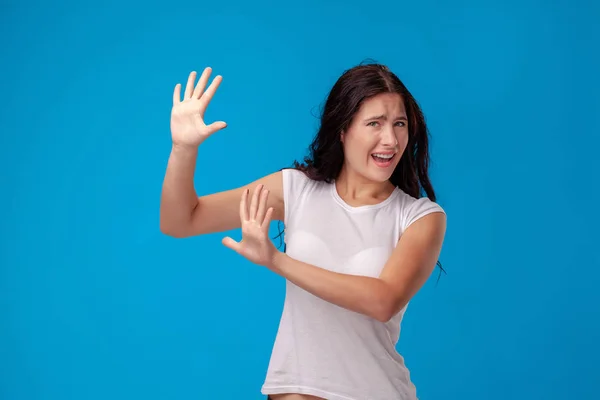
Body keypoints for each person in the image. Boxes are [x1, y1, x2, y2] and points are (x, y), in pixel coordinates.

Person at [160, 63, 447, 400]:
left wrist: (275, 260)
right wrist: (183, 150)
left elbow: (382, 300)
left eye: (400, 124)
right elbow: (181, 221)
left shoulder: (420, 216)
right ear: (343, 130)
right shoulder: (296, 190)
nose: (391, 139)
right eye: (375, 124)